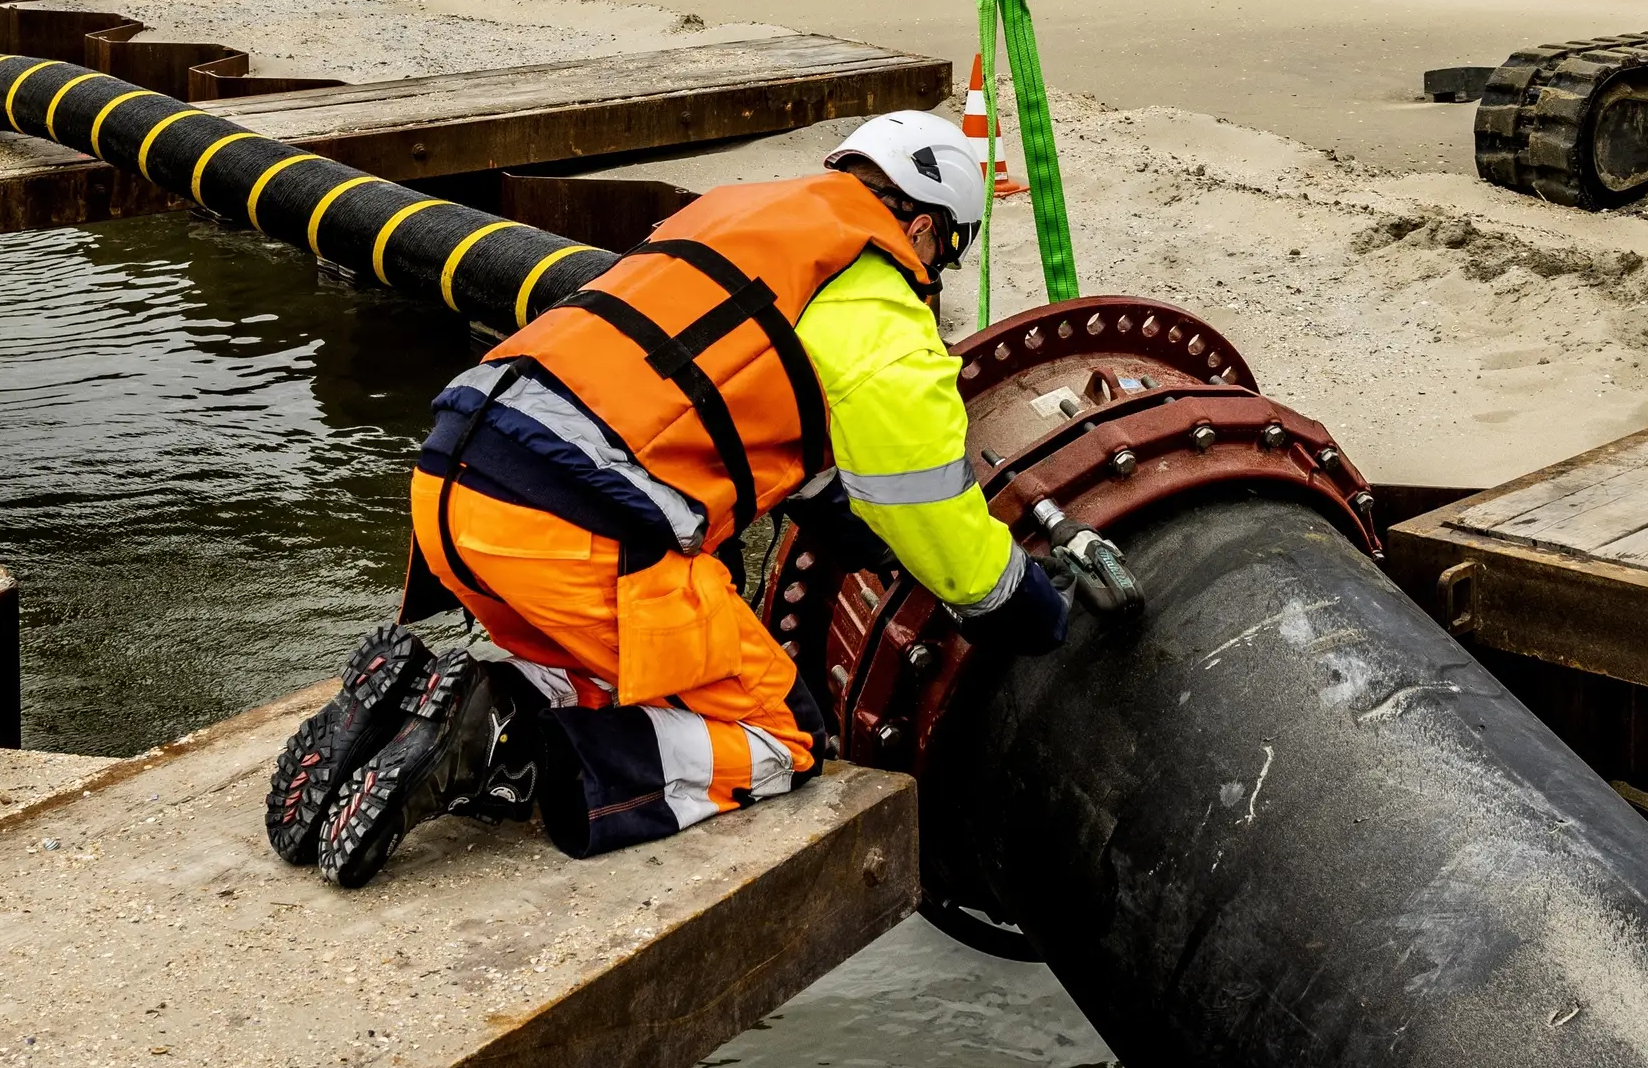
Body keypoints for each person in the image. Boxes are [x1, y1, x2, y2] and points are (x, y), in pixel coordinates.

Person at [268, 109, 1072, 888]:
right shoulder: (881, 310)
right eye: (942, 259)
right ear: (929, 228)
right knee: (780, 733)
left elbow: (723, 392)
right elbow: (926, 505)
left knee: (625, 671)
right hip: (574, 533)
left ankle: (423, 703)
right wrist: (1017, 597)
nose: (931, 280)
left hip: (453, 484)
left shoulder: (737, 212)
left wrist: (845, 521)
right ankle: (511, 749)